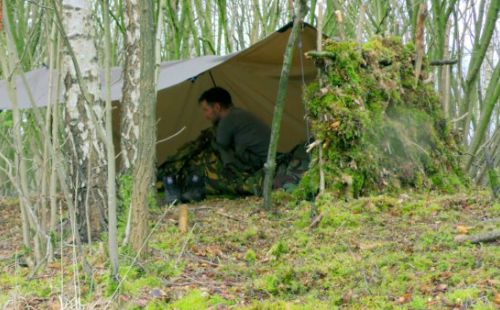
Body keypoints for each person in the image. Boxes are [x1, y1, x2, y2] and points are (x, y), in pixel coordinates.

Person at [158, 87, 271, 203]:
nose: (205, 116)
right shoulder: (239, 114)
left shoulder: (228, 119)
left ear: (217, 107)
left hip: (257, 163)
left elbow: (220, 145)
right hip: (263, 159)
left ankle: (189, 184)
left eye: (206, 110)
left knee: (208, 152)